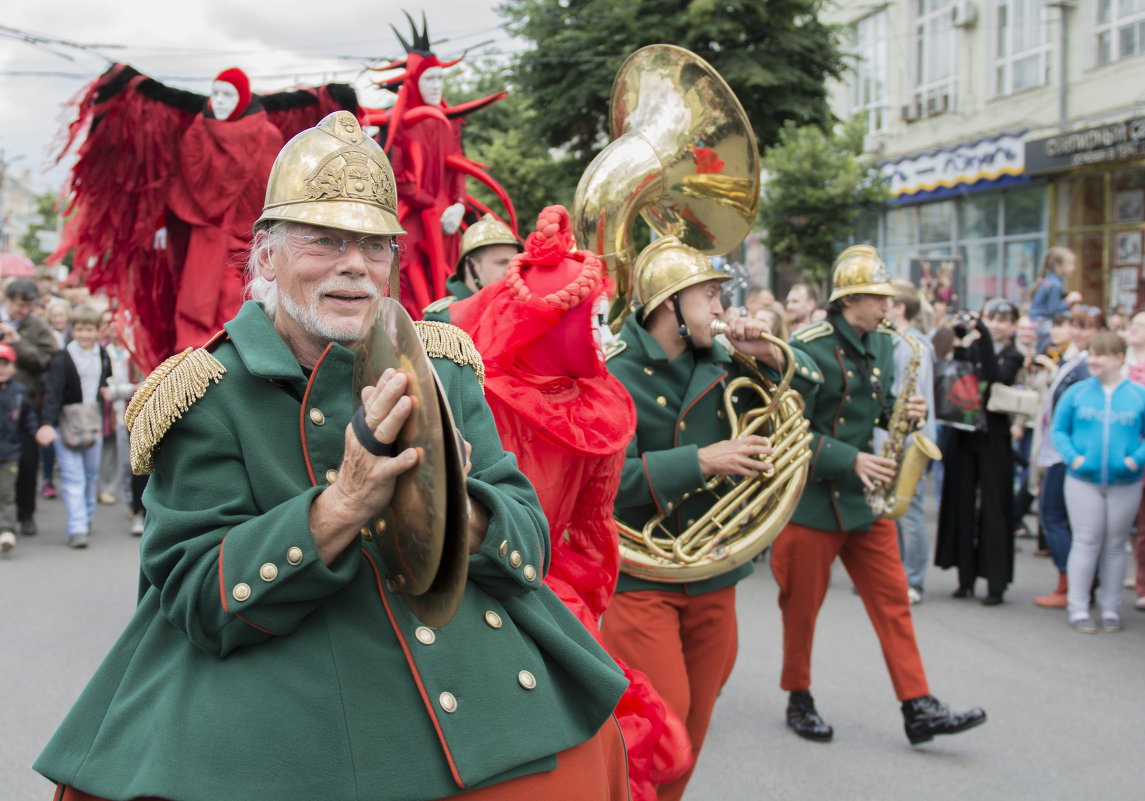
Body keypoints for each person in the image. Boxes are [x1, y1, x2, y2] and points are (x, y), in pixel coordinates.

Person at [34, 111, 628, 801]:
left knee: (586, 753)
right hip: (285, 710)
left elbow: (528, 540)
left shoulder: (443, 366)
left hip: (466, 688)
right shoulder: (203, 391)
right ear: (266, 254)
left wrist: (448, 501)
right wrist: (342, 504)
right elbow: (196, 595)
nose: (354, 264)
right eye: (324, 240)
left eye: (374, 246)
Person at [450, 205, 685, 800]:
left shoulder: (592, 399)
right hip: (488, 598)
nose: (608, 337)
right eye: (596, 320)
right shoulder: (480, 396)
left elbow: (587, 531)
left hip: (561, 595)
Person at [770, 245, 986, 746]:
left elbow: (874, 405)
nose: (888, 307)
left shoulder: (884, 342)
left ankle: (918, 705)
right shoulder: (810, 343)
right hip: (814, 499)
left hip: (866, 501)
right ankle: (798, 695)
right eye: (877, 299)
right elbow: (789, 428)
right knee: (801, 608)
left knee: (893, 602)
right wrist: (851, 458)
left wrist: (900, 411)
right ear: (849, 301)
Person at [603, 236, 789, 801]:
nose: (721, 309)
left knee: (696, 722)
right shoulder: (612, 371)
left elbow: (807, 395)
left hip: (714, 571)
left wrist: (775, 357)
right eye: (710, 296)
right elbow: (601, 485)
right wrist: (701, 461)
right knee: (666, 721)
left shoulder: (730, 359)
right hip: (641, 579)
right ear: (670, 305)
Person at [1050, 332, 1145, 633]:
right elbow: (1059, 429)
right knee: (1086, 542)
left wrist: (1134, 460)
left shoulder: (1137, 394)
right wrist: (1074, 458)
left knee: (1115, 546)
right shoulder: (1076, 392)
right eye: (1091, 354)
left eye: (1100, 354)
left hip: (1125, 481)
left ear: (1119, 358)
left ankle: (1111, 609)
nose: (1092, 360)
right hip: (1082, 480)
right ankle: (1078, 608)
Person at [934, 299, 1024, 605]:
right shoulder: (974, 347)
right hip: (964, 433)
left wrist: (983, 335)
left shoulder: (1014, 355)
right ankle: (965, 576)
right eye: (991, 318)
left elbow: (997, 376)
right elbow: (958, 373)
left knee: (995, 507)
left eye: (1003, 319)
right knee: (959, 502)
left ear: (1013, 325)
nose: (997, 324)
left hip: (994, 438)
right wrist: (960, 340)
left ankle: (996, 583)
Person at [1031, 306, 1106, 607]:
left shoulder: (1090, 364)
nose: (1078, 332)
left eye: (1086, 327)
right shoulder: (1075, 358)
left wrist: (1071, 450)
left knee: (1053, 516)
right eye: (1076, 326)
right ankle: (1076, 582)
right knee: (1060, 518)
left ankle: (1072, 584)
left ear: (1100, 330)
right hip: (1060, 448)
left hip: (1070, 452)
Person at [35, 305, 111, 549]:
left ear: (97, 330)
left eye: (89, 329)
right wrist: (47, 423)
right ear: (73, 329)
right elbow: (53, 394)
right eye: (79, 329)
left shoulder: (102, 354)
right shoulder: (62, 358)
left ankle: (86, 517)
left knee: (91, 474)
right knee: (72, 477)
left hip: (93, 419)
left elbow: (105, 382)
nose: (84, 334)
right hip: (67, 422)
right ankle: (76, 527)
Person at [886, 279, 936, 604]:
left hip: (909, 438)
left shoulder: (912, 345)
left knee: (911, 511)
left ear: (900, 308)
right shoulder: (898, 341)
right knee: (897, 509)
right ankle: (898, 574)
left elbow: (911, 397)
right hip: (899, 436)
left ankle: (914, 580)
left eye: (886, 302)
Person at [1, 278, 57, 537]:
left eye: (27, 306)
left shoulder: (36, 326)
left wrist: (18, 342)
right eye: (18, 305)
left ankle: (26, 513)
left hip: (24, 403)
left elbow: (46, 360)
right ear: (8, 299)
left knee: (25, 461)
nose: (22, 311)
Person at [422, 213, 521, 319]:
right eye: (501, 262)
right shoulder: (443, 318)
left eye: (515, 262)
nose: (512, 270)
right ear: (472, 266)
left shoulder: (519, 309)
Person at [0, 343, 37, 555]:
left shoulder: (19, 391)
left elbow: (27, 419)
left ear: (14, 367)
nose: (2, 368)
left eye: (6, 364)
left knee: (6, 493)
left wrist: (37, 433)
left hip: (9, 453)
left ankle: (6, 530)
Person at [1028, 247, 1081, 351]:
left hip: (1037, 321)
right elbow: (1053, 309)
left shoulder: (1050, 281)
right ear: (1058, 266)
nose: (1073, 268)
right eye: (1070, 264)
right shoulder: (1055, 284)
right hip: (1042, 323)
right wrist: (1069, 301)